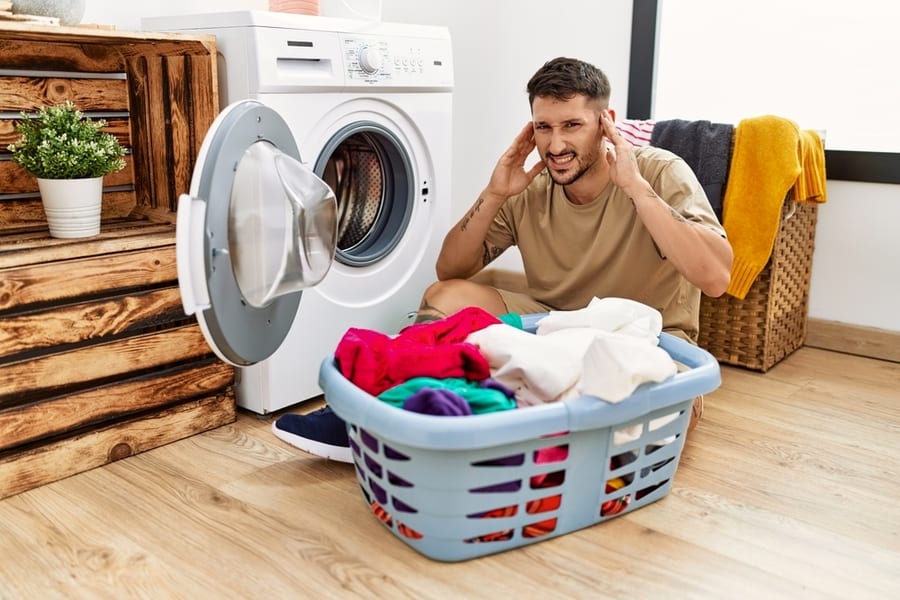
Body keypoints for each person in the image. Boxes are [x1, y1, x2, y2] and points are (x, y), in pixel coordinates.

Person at [271, 57, 733, 462]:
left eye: (572, 125)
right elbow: (449, 272)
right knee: (446, 298)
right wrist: (495, 194)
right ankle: (389, 410)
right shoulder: (529, 184)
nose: (555, 146)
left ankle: (480, 436)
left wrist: (635, 188)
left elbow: (715, 278)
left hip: (647, 342)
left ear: (606, 122)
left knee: (657, 421)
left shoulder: (657, 171)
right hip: (554, 326)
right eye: (543, 127)